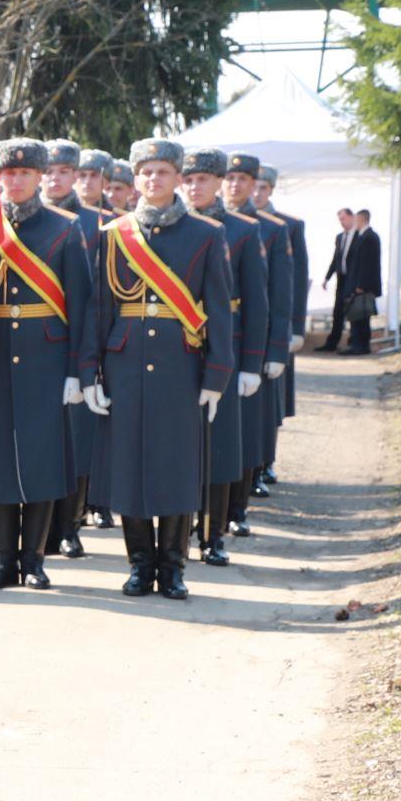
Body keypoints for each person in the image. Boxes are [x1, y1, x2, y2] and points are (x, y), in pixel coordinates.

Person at [80, 138, 236, 599]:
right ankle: (138, 564)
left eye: (163, 172)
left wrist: (217, 376)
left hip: (180, 365)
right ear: (135, 179)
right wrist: (90, 371)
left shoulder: (207, 234)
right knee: (128, 468)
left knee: (174, 467)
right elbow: (98, 308)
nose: (153, 180)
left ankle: (172, 567)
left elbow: (220, 312)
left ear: (177, 178)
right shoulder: (113, 236)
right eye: (145, 172)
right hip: (124, 364)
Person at [0, 138, 89, 590]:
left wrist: (77, 371)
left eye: (25, 173)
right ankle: (4, 560)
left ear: (41, 177)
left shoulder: (65, 228)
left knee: (41, 462)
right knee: (0, 461)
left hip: (47, 356)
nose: (16, 180)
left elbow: (82, 304)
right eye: (9, 174)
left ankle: (34, 559)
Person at [181, 148, 267, 568]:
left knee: (218, 447)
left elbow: (257, 301)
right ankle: (180, 529)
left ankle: (213, 534)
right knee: (181, 446)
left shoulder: (243, 231)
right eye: (189, 180)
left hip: (224, 346)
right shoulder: (168, 227)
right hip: (177, 347)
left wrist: (251, 363)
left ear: (219, 183)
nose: (195, 187)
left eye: (203, 180)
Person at [46, 147, 114, 555]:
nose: (56, 178)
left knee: (77, 443)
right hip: (37, 347)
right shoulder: (20, 222)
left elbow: (102, 299)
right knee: (43, 441)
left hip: (80, 343)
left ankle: (69, 526)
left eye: (65, 171)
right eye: (49, 171)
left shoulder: (100, 225)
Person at [223, 153, 291, 535]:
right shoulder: (205, 222)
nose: (235, 185)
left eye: (243, 179)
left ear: (255, 184)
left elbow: (278, 295)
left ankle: (238, 505)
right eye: (229, 178)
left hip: (250, 336)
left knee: (247, 429)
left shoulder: (271, 229)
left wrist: (277, 348)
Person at [255, 166, 311, 477]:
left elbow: (296, 281)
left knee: (272, 400)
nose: (257, 193)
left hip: (276, 326)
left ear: (271, 190)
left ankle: (268, 461)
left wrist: (296, 328)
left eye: (263, 187)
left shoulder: (287, 226)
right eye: (255, 186)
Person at [343, 210, 383, 353]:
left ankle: (360, 346)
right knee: (358, 317)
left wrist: (361, 284)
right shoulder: (364, 236)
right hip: (360, 283)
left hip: (363, 286)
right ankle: (358, 344)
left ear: (362, 219)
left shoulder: (369, 237)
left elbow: (367, 264)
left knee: (361, 317)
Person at [320, 208, 356, 351]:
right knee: (338, 311)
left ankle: (353, 341)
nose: (342, 222)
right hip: (341, 279)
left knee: (353, 311)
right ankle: (332, 343)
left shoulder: (359, 235)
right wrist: (327, 277)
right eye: (340, 220)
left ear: (352, 217)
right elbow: (336, 259)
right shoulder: (340, 237)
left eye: (344, 219)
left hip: (353, 279)